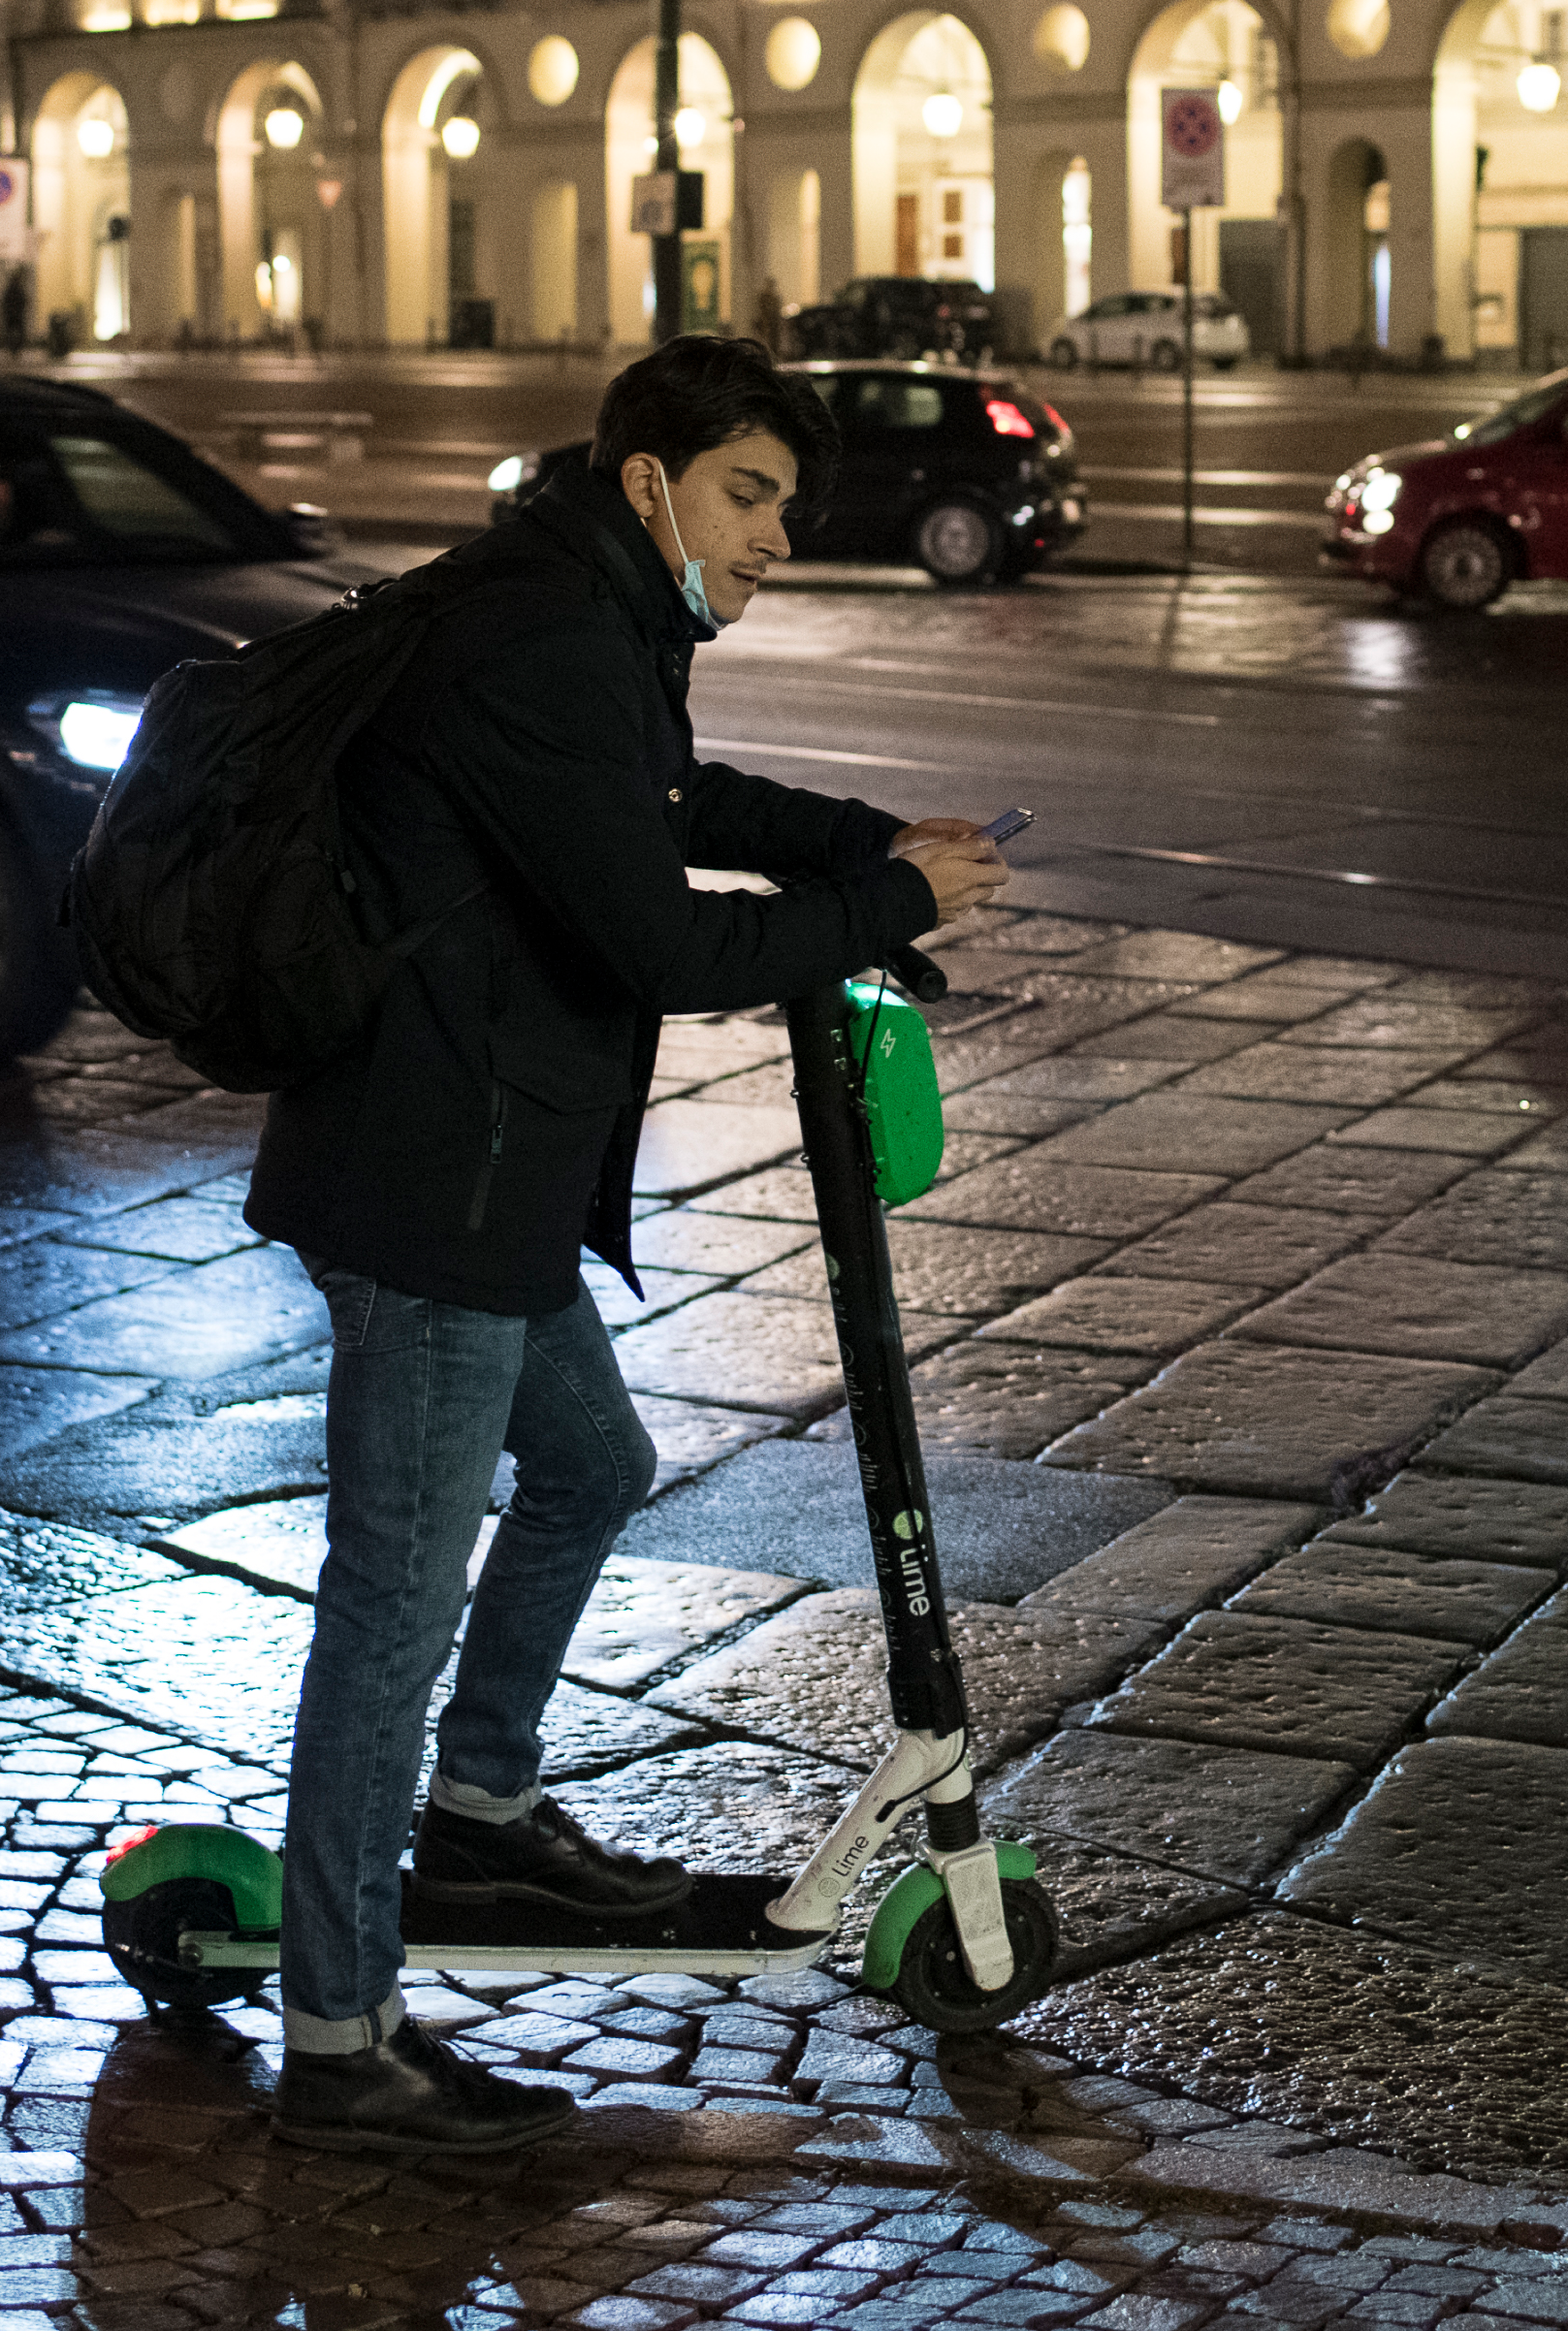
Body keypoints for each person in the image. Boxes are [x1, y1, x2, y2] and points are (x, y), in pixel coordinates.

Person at [242, 334, 1009, 2155]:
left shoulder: (593, 610)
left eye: (791, 510)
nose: (776, 542)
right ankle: (339, 2040)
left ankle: (485, 1813)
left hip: (494, 1178)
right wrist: (877, 905)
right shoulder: (539, 632)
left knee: (593, 1460)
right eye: (750, 498)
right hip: (433, 1190)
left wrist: (864, 843)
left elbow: (667, 795)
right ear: (653, 480)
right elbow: (655, 941)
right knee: (386, 1612)